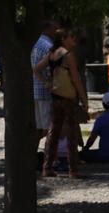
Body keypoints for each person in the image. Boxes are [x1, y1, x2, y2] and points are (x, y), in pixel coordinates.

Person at [34, 29, 89, 178]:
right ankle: (73, 169)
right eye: (72, 37)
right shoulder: (68, 55)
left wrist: (47, 83)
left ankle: (47, 167)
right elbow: (76, 79)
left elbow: (36, 69)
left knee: (53, 132)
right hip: (68, 97)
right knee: (71, 132)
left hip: (55, 97)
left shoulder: (52, 54)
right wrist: (84, 100)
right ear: (64, 39)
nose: (74, 39)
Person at [31, 20, 60, 149]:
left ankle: (32, 154)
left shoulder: (35, 42)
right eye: (56, 28)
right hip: (45, 92)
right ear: (49, 28)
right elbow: (48, 70)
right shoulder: (48, 46)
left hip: (36, 90)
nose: (57, 31)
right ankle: (48, 157)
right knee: (48, 128)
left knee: (40, 127)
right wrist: (49, 83)